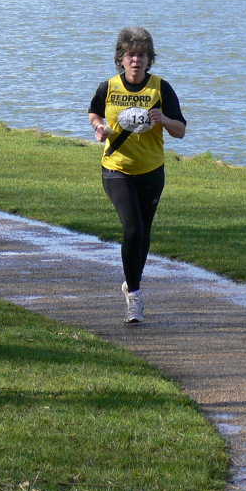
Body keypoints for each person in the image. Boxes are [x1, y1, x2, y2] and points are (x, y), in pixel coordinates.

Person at [88, 27, 187, 324]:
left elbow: (181, 130)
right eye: (131, 55)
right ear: (121, 58)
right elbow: (94, 112)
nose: (136, 60)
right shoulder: (108, 87)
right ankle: (134, 295)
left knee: (143, 233)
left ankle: (132, 280)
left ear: (149, 59)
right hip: (116, 169)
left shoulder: (160, 88)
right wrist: (99, 127)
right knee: (132, 229)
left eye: (142, 55)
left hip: (151, 171)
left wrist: (164, 119)